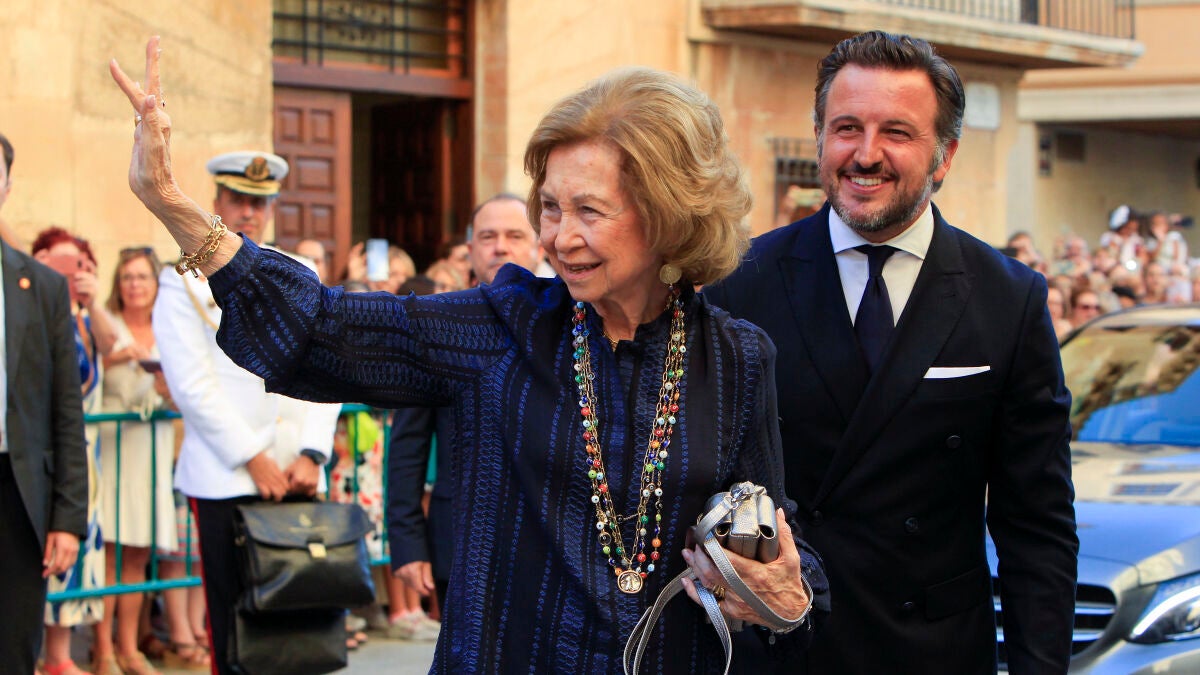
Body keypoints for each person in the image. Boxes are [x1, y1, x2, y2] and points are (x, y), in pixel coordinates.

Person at [113, 40, 827, 673]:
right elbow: (325, 329)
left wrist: (785, 596)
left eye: (589, 210)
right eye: (550, 207)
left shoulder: (737, 359)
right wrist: (172, 203)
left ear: (669, 213)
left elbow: (774, 535)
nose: (557, 237)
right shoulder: (501, 326)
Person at [703, 31, 1077, 674]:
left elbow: (1037, 524)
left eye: (896, 132)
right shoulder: (740, 282)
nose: (865, 154)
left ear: (944, 154)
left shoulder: (1007, 298)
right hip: (781, 650)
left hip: (934, 654)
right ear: (819, 137)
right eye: (846, 128)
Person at [143, 145, 342, 674]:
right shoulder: (181, 280)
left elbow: (331, 363)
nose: (249, 212)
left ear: (272, 207)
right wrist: (251, 455)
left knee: (301, 626)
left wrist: (312, 452)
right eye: (237, 199)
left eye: (260, 202)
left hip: (296, 473)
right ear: (217, 203)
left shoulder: (299, 271)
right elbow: (191, 383)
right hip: (227, 476)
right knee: (236, 628)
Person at [388, 194, 542, 628]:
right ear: (470, 249)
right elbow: (408, 443)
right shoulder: (439, 325)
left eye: (515, 236)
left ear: (539, 245)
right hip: (459, 538)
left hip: (548, 542)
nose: (501, 247)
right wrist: (407, 542)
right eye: (488, 237)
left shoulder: (573, 324)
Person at [0, 135, 89, 675]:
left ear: (7, 186)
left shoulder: (43, 289)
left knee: (13, 646)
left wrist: (68, 518)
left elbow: (66, 410)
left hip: (16, 494)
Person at [31, 228, 114, 675]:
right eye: (60, 266)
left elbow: (116, 348)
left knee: (77, 549)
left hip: (85, 458)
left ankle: (59, 655)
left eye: (78, 266)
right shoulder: (33, 313)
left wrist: (92, 303)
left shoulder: (85, 318)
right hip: (44, 455)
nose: (69, 275)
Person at [94, 246, 176, 675]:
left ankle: (129, 648)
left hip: (152, 448)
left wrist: (168, 391)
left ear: (156, 283)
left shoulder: (169, 326)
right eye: (127, 277)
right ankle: (102, 649)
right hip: (113, 448)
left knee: (137, 556)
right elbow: (86, 374)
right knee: (108, 554)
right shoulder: (106, 323)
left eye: (142, 276)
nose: (135, 285)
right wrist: (114, 358)